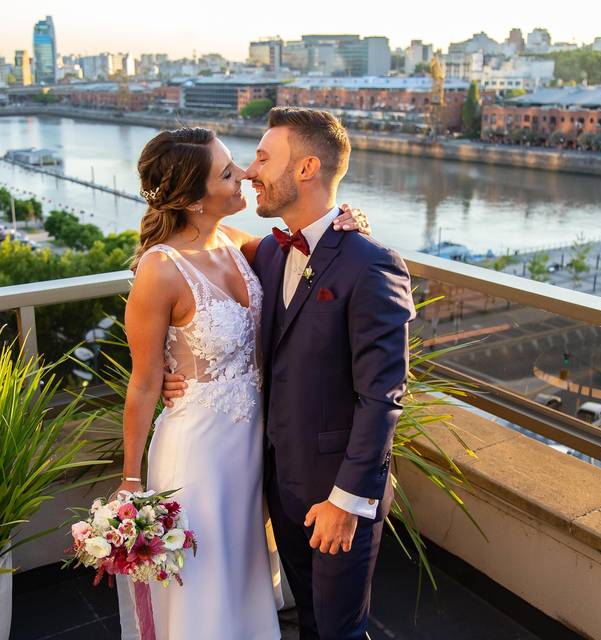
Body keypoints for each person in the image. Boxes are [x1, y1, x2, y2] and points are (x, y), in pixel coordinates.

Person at [164, 108, 415, 639]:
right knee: (310, 621)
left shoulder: (372, 266)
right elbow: (193, 264)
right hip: (282, 484)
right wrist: (172, 367)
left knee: (340, 630)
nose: (251, 171)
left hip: (338, 494)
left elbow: (383, 398)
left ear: (305, 168)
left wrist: (346, 501)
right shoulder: (270, 254)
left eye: (261, 158)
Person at [116, 127, 367, 640]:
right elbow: (143, 384)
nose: (245, 177)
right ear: (190, 197)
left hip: (251, 449)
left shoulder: (239, 245)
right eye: (228, 173)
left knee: (243, 576)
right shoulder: (159, 271)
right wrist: (130, 480)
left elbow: (308, 253)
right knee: (205, 584)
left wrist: (347, 221)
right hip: (197, 453)